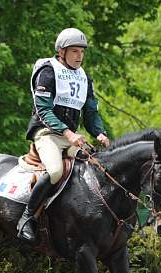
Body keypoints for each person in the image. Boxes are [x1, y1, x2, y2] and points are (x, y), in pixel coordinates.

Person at [17, 28, 110, 244]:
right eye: (75, 51)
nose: (79, 56)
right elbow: (43, 110)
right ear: (61, 51)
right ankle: (27, 218)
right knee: (56, 171)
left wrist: (100, 132)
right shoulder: (48, 72)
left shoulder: (84, 77)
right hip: (46, 133)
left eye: (82, 52)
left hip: (71, 137)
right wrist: (68, 133)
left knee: (95, 166)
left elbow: (90, 112)